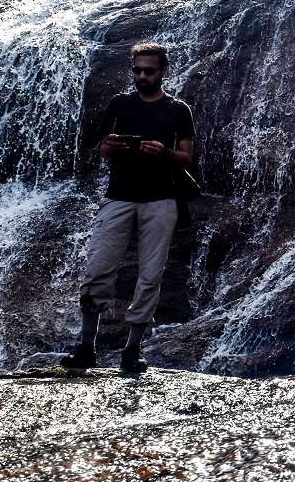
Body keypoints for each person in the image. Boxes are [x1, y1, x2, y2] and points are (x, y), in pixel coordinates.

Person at [61, 42, 195, 375]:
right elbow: (104, 148)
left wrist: (163, 152)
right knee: (97, 271)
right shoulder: (119, 104)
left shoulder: (178, 110)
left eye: (149, 71)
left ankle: (132, 351)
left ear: (163, 71)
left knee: (150, 277)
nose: (142, 76)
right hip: (119, 197)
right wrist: (113, 147)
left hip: (161, 201)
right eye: (137, 70)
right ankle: (86, 348)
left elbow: (186, 156)